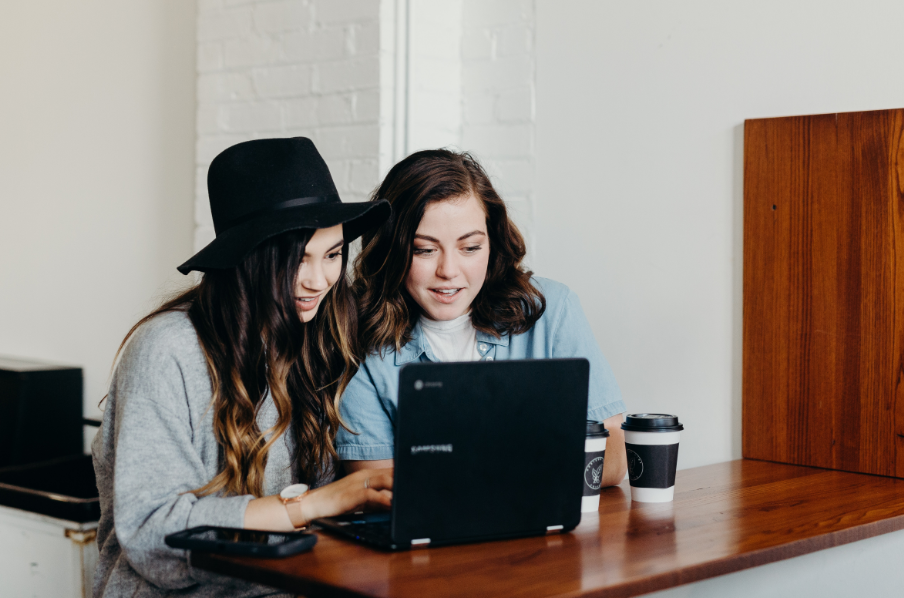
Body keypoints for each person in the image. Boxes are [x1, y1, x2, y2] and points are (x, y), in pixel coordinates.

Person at [92, 138, 393, 597]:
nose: (319, 281)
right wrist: (314, 504)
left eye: (332, 255)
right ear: (249, 257)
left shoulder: (318, 338)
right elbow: (153, 533)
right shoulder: (168, 350)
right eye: (297, 259)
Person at [337, 149, 628, 488]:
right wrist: (531, 458)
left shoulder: (552, 310)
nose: (448, 271)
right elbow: (374, 487)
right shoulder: (358, 338)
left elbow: (612, 458)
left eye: (470, 248)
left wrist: (465, 472)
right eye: (424, 250)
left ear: (492, 243)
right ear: (391, 250)